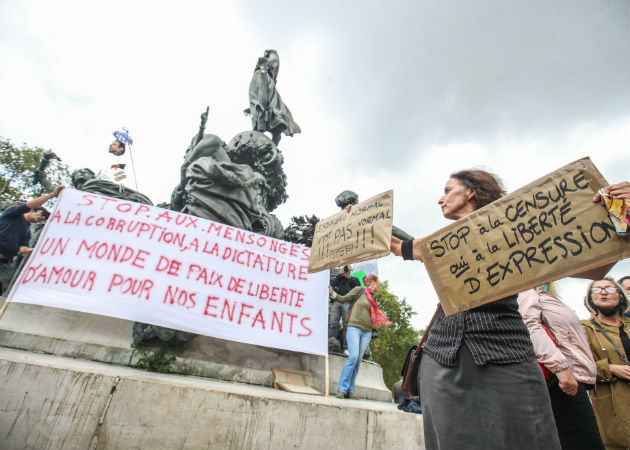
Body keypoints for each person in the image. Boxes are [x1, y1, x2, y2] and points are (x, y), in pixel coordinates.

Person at [390, 169, 561, 450]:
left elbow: (584, 252)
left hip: (505, 354)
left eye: (447, 190)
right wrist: (360, 224)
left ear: (470, 192)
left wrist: (620, 212)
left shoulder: (517, 230)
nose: (440, 199)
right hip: (442, 356)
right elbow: (397, 244)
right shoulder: (441, 243)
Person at [517, 284, 604, 450]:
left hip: (566, 377)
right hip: (560, 380)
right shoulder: (526, 289)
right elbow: (529, 325)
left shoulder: (541, 293)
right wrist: (561, 369)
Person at [581, 278, 630, 450]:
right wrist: (610, 368)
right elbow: (578, 365)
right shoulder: (583, 328)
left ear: (621, 297)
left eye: (609, 288)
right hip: (614, 404)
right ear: (590, 300)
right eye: (596, 290)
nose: (603, 292)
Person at [329, 274, 388, 399]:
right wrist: (332, 293)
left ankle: (350, 390)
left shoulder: (374, 298)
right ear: (372, 283)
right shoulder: (359, 290)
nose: (378, 287)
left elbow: (374, 315)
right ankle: (342, 388)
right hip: (354, 327)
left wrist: (383, 322)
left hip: (367, 332)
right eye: (377, 284)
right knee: (353, 357)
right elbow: (343, 299)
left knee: (358, 362)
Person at [0, 186, 64, 282]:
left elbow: (21, 248)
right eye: (41, 214)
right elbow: (29, 204)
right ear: (32, 210)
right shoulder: (12, 213)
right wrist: (53, 194)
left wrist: (31, 250)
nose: (42, 218)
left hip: (4, 264)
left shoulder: (27, 232)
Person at [329, 264, 361, 353]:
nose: (345, 270)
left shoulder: (354, 279)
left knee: (346, 325)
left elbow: (358, 288)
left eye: (346, 268)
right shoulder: (338, 278)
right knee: (332, 323)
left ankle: (346, 348)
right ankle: (330, 343)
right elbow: (331, 285)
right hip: (336, 301)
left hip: (347, 302)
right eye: (343, 268)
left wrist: (348, 277)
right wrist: (339, 275)